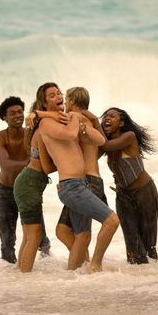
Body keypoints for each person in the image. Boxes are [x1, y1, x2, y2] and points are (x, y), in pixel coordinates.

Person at [37, 82, 119, 272]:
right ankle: (94, 265)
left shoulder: (70, 120)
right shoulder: (50, 123)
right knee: (112, 221)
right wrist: (74, 119)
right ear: (43, 102)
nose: (59, 98)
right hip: (72, 186)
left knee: (82, 235)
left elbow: (100, 140)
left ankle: (73, 275)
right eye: (53, 95)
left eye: (60, 94)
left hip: (81, 184)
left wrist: (83, 125)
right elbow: (69, 133)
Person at [0, 96, 51, 264]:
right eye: (12, 113)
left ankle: (48, 271)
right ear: (4, 117)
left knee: (41, 240)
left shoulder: (31, 134)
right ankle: (11, 279)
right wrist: (32, 163)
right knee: (7, 243)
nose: (18, 115)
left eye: (20, 112)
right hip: (6, 192)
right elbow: (6, 165)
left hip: (28, 191)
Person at [55, 87, 109, 267]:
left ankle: (84, 265)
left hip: (85, 182)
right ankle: (83, 263)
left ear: (72, 101)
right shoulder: (89, 121)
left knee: (80, 233)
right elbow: (100, 145)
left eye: (66, 99)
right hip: (93, 179)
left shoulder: (75, 120)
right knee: (63, 230)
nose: (63, 103)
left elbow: (70, 152)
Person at [101, 107, 158, 264]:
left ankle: (151, 281)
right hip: (123, 196)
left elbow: (106, 146)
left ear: (121, 123)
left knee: (149, 245)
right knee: (132, 245)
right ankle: (132, 282)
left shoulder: (129, 136)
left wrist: (92, 121)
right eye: (105, 116)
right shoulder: (105, 142)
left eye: (112, 116)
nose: (106, 118)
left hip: (145, 193)